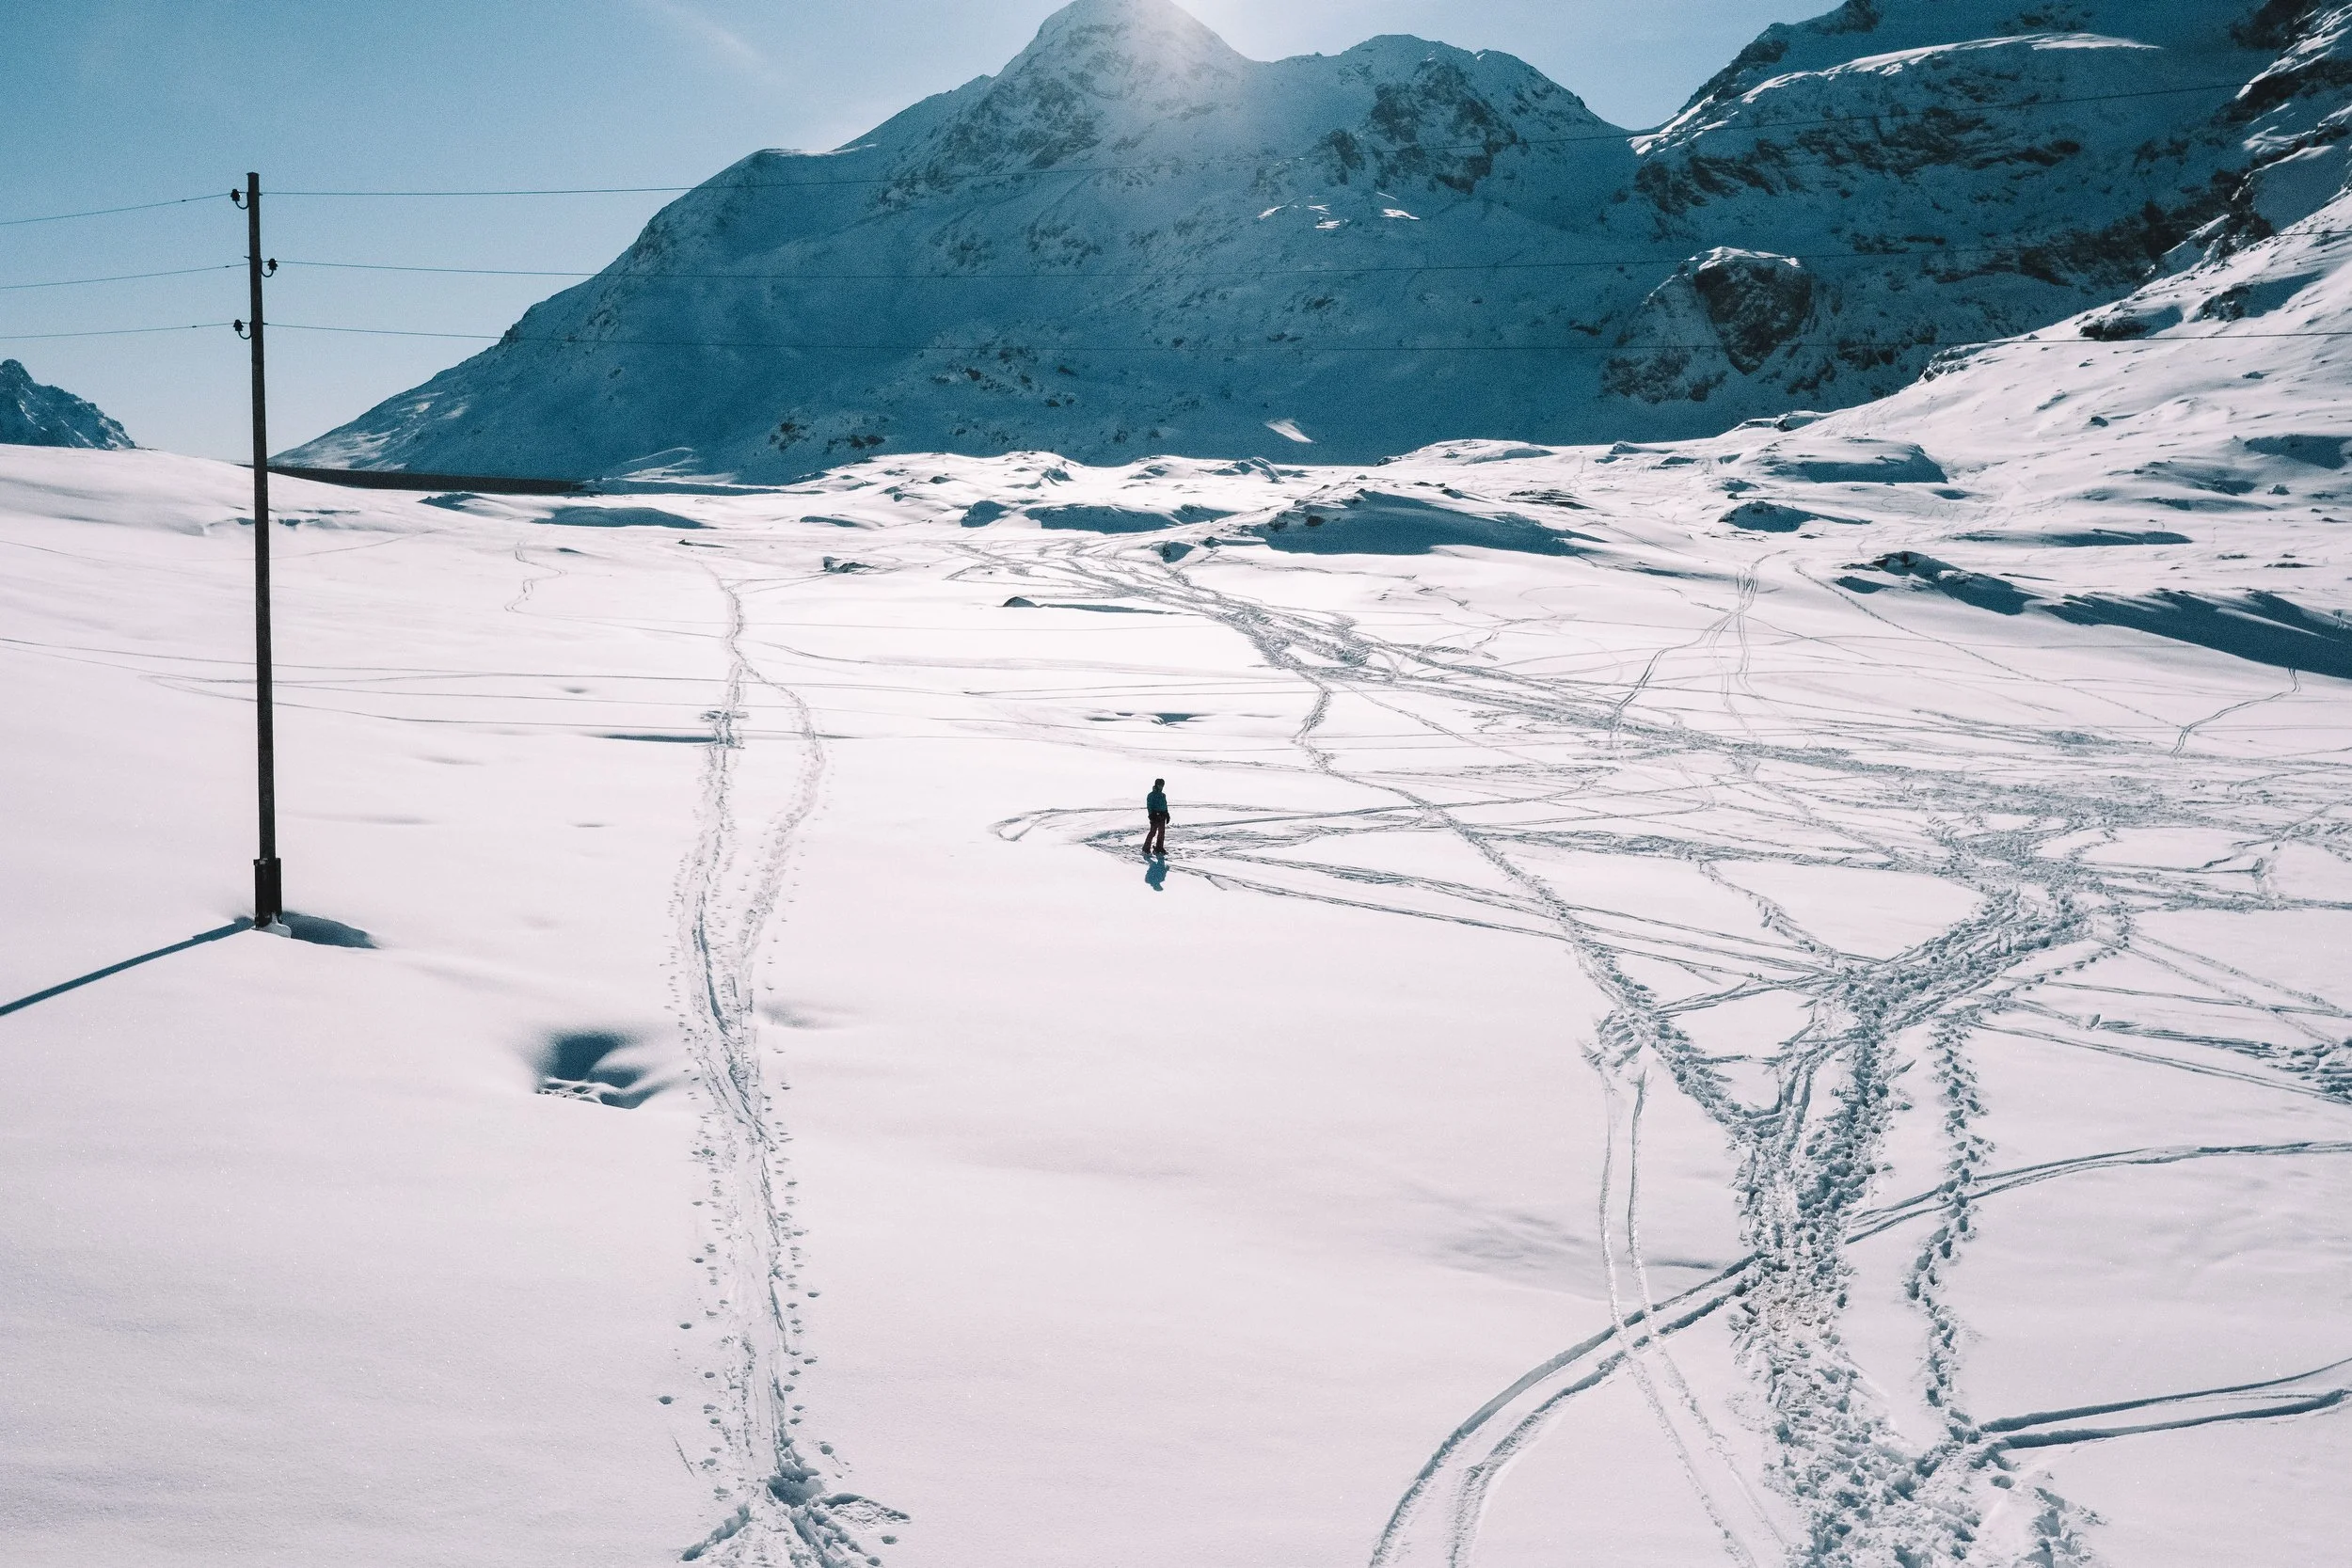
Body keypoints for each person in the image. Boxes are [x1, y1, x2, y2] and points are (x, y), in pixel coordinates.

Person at [1143, 778, 1169, 858]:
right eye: (1159, 785)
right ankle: (1146, 848)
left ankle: (1159, 848)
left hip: (1162, 816)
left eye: (1162, 785)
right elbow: (1149, 806)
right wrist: (1151, 815)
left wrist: (1167, 814)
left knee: (1161, 833)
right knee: (1153, 832)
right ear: (1156, 785)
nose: (1161, 787)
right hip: (1155, 816)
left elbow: (1165, 805)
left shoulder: (1163, 795)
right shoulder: (1151, 795)